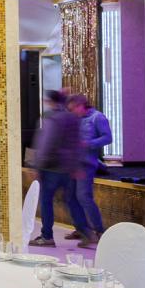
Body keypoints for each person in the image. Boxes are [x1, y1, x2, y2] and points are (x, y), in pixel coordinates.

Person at [29, 89, 90, 246]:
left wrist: (37, 165)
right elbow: (77, 143)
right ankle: (86, 232)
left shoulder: (51, 118)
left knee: (46, 201)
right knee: (71, 201)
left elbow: (46, 142)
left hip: (51, 167)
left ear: (51, 102)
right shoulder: (72, 118)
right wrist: (76, 166)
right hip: (68, 168)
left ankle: (47, 236)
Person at [65, 94, 111, 246]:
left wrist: (89, 143)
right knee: (70, 198)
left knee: (84, 197)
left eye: (73, 109)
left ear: (81, 105)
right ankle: (82, 229)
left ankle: (99, 230)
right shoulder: (76, 119)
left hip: (86, 164)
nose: (72, 112)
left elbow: (108, 138)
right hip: (73, 163)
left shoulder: (97, 117)